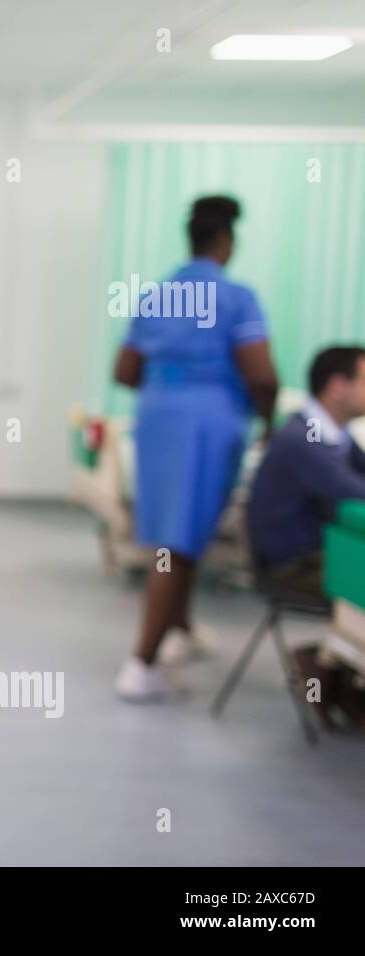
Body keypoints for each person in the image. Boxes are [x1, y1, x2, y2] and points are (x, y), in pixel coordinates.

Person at [111, 196, 279, 702]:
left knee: (174, 532)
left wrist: (173, 379)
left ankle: (179, 627)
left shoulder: (157, 296)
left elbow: (124, 372)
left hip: (160, 420)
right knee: (178, 546)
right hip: (208, 423)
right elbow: (262, 375)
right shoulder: (236, 297)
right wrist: (268, 422)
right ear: (225, 242)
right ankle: (141, 666)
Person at [247, 345, 365, 599]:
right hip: (293, 565)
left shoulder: (335, 432)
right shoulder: (304, 438)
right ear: (337, 386)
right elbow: (352, 489)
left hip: (319, 553)